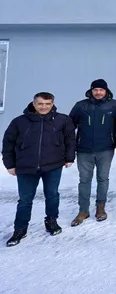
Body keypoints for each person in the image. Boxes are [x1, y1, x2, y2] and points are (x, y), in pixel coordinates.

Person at [2, 92, 75, 247]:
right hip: (26, 166)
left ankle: (51, 221)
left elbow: (70, 140)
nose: (44, 107)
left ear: (52, 104)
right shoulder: (19, 121)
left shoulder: (62, 120)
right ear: (34, 104)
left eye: (47, 104)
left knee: (52, 195)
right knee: (25, 200)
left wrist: (69, 158)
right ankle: (20, 229)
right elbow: (8, 143)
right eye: (40, 104)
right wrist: (9, 164)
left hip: (53, 165)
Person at [69, 79, 116, 226]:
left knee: (103, 178)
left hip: (105, 149)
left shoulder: (115, 106)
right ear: (91, 91)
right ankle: (83, 210)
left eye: (101, 90)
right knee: (84, 180)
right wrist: (70, 147)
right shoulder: (81, 106)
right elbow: (69, 127)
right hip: (84, 150)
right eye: (95, 90)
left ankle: (100, 208)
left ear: (106, 91)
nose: (98, 92)